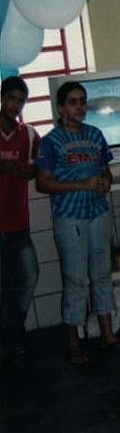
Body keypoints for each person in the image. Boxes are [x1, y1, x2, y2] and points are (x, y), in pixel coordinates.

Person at [35, 82, 120, 364]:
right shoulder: (50, 141)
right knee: (76, 280)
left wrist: (105, 182)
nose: (80, 107)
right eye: (73, 102)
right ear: (61, 108)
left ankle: (108, 334)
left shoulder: (95, 134)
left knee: (102, 275)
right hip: (70, 218)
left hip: (98, 213)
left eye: (83, 101)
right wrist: (81, 184)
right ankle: (73, 342)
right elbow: (42, 183)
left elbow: (106, 171)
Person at [0, 76, 40, 365]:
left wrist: (31, 171)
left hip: (18, 222)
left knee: (29, 276)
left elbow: (41, 166)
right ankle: (11, 339)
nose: (15, 105)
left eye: (21, 100)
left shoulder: (30, 135)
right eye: (11, 98)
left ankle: (12, 333)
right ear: (2, 97)